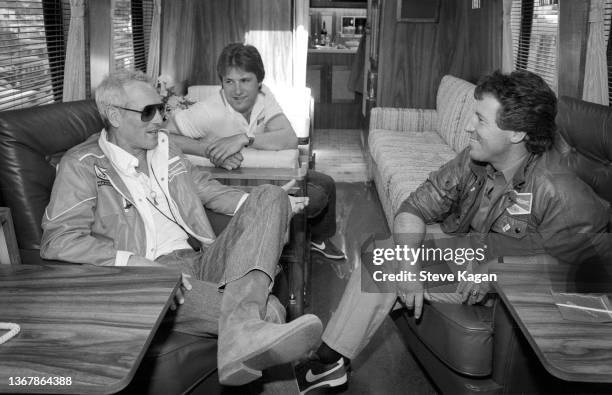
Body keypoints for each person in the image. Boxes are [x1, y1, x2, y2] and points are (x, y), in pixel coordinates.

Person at [293, 70, 611, 393]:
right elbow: (414, 207)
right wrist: (409, 266)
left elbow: (585, 269)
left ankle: (324, 363)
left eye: (480, 120)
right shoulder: (474, 161)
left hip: (503, 290)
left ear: (516, 133)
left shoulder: (560, 192)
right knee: (386, 255)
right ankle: (329, 362)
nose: (468, 126)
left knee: (382, 263)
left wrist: (497, 271)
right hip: (469, 253)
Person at [40, 70, 324, 386]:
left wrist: (264, 211)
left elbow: (204, 187)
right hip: (155, 279)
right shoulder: (81, 165)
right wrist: (132, 262)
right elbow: (58, 239)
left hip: (201, 257)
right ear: (114, 116)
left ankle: (243, 326)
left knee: (271, 196)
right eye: (148, 112)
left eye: (161, 108)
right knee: (269, 310)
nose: (160, 119)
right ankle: (247, 330)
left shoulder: (164, 147)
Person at [171, 43, 346, 260]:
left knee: (326, 184)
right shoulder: (206, 111)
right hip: (228, 186)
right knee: (318, 194)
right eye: (229, 82)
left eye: (245, 80)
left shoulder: (264, 96)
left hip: (268, 179)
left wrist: (244, 138)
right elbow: (164, 135)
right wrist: (207, 150)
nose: (236, 91)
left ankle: (315, 239)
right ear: (221, 83)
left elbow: (289, 138)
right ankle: (285, 239)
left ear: (259, 82)